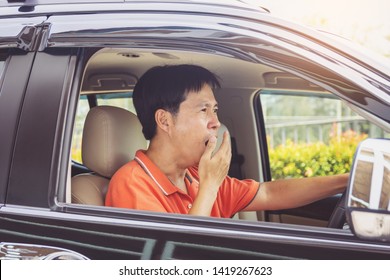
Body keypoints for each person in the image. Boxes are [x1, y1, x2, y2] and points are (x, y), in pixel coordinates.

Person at [105, 64, 348, 217]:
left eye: (215, 110)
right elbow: (175, 264)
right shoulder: (131, 183)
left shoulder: (194, 174)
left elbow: (268, 194)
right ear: (165, 121)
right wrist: (210, 187)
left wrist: (346, 181)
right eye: (204, 110)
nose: (215, 123)